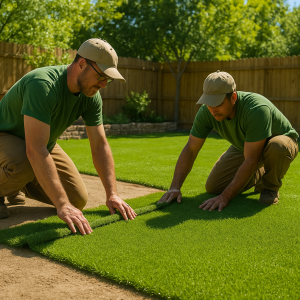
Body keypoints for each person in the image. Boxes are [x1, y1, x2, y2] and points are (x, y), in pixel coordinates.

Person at [0, 38, 137, 234]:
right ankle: (11, 181)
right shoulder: (43, 84)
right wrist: (61, 204)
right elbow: (35, 149)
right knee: (24, 163)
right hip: (5, 136)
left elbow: (100, 146)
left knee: (77, 199)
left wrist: (112, 194)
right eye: (101, 76)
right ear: (82, 64)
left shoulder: (90, 96)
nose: (104, 84)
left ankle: (16, 184)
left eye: (109, 79)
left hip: (37, 143)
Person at [158, 70, 299, 211]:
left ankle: (270, 187)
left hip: (282, 142)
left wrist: (225, 197)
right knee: (214, 186)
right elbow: (191, 149)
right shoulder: (206, 112)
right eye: (208, 103)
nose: (212, 110)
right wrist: (174, 187)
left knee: (277, 146)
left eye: (217, 103)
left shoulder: (256, 109)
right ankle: (260, 173)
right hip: (245, 145)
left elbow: (251, 159)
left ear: (233, 97)